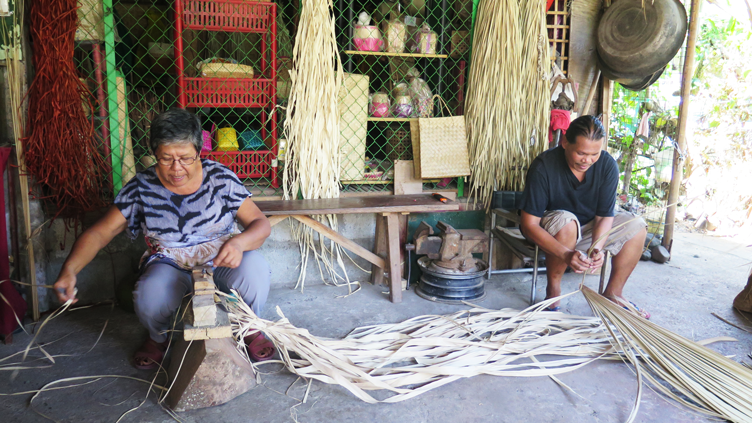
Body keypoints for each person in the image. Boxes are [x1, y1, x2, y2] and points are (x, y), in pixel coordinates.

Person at [53, 109, 274, 368]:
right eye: (166, 159)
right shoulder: (141, 187)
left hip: (221, 256)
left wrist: (239, 243)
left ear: (199, 152)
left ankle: (248, 327)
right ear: (154, 154)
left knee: (255, 270)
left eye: (185, 158)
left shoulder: (220, 178)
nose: (176, 168)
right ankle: (158, 337)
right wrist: (70, 270)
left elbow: (260, 224)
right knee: (150, 294)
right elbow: (101, 232)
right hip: (170, 261)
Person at [518, 115, 649, 318]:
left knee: (637, 225)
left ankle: (613, 294)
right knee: (567, 222)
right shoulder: (544, 165)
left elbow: (604, 216)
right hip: (554, 231)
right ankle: (553, 293)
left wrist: (597, 247)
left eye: (594, 154)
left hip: (588, 228)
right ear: (564, 142)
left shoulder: (607, 166)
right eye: (581, 153)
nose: (587, 160)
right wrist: (565, 254)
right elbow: (528, 225)